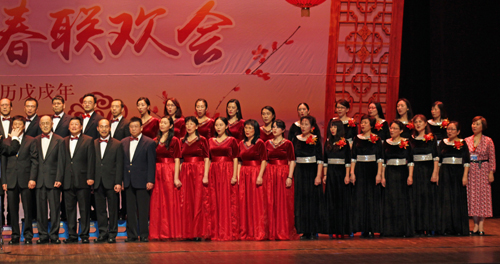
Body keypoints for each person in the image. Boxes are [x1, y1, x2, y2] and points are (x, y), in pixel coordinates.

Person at [1, 116, 36, 245]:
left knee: (28, 209)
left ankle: (28, 235)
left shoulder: (31, 141)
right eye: (14, 124)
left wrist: (32, 178)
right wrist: (4, 180)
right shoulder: (6, 141)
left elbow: (34, 161)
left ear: (24, 127)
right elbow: (3, 162)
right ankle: (15, 235)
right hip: (10, 179)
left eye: (19, 125)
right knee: (13, 210)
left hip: (26, 179)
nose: (16, 127)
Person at [121, 117, 156, 242]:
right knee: (130, 210)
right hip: (128, 180)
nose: (134, 129)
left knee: (143, 210)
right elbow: (122, 163)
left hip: (143, 181)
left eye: (136, 126)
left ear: (141, 128)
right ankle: (132, 235)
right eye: (131, 127)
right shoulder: (123, 142)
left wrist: (150, 180)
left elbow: (151, 164)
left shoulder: (150, 142)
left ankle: (144, 235)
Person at [62, 117, 95, 244]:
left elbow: (91, 160)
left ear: (81, 127)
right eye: (72, 124)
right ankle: (72, 235)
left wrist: (90, 177)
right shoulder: (63, 141)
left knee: (84, 209)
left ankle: (85, 234)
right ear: (68, 127)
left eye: (77, 124)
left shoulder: (88, 140)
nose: (74, 126)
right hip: (67, 181)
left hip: (83, 180)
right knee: (69, 210)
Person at [350, 115, 383, 238]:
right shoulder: (356, 139)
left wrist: (379, 174)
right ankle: (359, 227)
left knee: (371, 198)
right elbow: (353, 157)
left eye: (365, 123)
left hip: (372, 170)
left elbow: (380, 158)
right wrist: (352, 173)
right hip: (360, 170)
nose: (362, 125)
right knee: (360, 198)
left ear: (371, 125)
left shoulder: (376, 139)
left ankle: (371, 228)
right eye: (361, 123)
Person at [150, 116, 181, 240]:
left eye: (165, 123)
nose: (162, 125)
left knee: (169, 201)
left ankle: (171, 232)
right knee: (157, 201)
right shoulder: (154, 140)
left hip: (169, 170)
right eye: (161, 123)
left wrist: (176, 177)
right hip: (157, 171)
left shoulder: (174, 140)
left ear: (171, 126)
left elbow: (178, 159)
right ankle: (157, 232)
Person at [265, 119, 298, 240]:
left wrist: (289, 176)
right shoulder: (267, 143)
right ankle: (271, 231)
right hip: (270, 172)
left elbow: (292, 161)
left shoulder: (288, 143)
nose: (274, 129)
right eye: (273, 127)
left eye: (277, 127)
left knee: (283, 202)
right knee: (270, 201)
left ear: (283, 130)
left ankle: (283, 230)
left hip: (283, 172)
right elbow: (265, 160)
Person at [208, 117, 240, 241]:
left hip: (227, 170)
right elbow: (208, 158)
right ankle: (215, 231)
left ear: (226, 126)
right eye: (216, 125)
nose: (218, 127)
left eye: (221, 125)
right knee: (214, 199)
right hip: (214, 170)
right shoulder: (210, 140)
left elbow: (236, 158)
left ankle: (228, 230)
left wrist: (234, 175)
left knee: (227, 199)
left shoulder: (232, 140)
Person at [381, 120, 414, 237]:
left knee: (401, 200)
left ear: (401, 131)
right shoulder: (385, 143)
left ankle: (402, 229)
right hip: (390, 173)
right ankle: (389, 229)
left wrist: (410, 176)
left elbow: (410, 161)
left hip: (402, 173)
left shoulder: (406, 143)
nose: (392, 130)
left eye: (395, 128)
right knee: (390, 200)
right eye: (391, 128)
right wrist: (382, 176)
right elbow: (383, 162)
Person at [35, 115, 65, 245]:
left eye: (48, 123)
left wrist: (59, 178)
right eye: (43, 123)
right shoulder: (35, 140)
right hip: (39, 180)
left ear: (52, 124)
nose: (45, 125)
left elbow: (61, 162)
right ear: (40, 125)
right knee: (40, 210)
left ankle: (54, 235)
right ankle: (42, 235)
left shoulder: (59, 140)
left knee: (54, 209)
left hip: (53, 180)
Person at [179, 116, 210, 241]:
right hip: (186, 171)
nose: (189, 126)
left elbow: (207, 158)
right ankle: (187, 232)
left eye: (192, 124)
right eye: (187, 124)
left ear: (197, 126)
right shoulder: (181, 140)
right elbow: (180, 159)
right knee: (186, 201)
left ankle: (198, 232)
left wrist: (206, 175)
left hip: (199, 169)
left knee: (198, 200)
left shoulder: (202, 140)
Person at [292, 116, 323, 240]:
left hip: (312, 171)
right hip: (300, 171)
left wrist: (318, 176)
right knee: (301, 200)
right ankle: (303, 229)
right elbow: (293, 158)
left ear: (312, 127)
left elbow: (320, 159)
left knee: (312, 200)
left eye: (306, 124)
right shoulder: (296, 139)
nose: (303, 126)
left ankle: (312, 229)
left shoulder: (315, 139)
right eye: (302, 124)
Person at [93, 119, 124, 243]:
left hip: (111, 182)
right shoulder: (93, 143)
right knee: (100, 209)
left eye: (106, 126)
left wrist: (118, 182)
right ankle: (102, 233)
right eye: (102, 126)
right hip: (97, 181)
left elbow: (119, 164)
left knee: (113, 209)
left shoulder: (117, 144)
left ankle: (112, 233)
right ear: (98, 128)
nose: (104, 129)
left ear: (110, 128)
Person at [437, 121, 470, 236]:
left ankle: (458, 228)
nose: (449, 131)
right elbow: (439, 161)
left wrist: (465, 176)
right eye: (448, 129)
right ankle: (446, 228)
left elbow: (466, 161)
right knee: (445, 199)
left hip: (458, 173)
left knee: (457, 199)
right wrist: (437, 174)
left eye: (452, 129)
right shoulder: (443, 143)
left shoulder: (462, 143)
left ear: (458, 131)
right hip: (445, 172)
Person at [465, 116, 495, 236]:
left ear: (483, 126)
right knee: (472, 197)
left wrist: (491, 172)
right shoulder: (467, 140)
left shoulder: (488, 140)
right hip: (471, 170)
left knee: (482, 197)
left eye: (477, 124)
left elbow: (492, 157)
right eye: (473, 123)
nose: (474, 126)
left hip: (483, 169)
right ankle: (475, 224)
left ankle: (481, 224)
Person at [238, 119, 268, 240]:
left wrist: (260, 176)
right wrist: (239, 175)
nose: (247, 130)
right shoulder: (241, 143)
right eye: (246, 128)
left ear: (255, 130)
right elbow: (239, 161)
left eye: (250, 128)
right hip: (244, 172)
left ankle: (258, 231)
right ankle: (246, 231)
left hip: (256, 171)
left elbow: (264, 160)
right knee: (245, 202)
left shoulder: (260, 143)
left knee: (257, 202)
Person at [410, 114, 439, 236]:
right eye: (416, 122)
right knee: (416, 198)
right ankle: (418, 227)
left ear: (425, 123)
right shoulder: (411, 139)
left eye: (420, 122)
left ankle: (429, 225)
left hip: (428, 170)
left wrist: (435, 173)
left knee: (428, 198)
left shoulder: (431, 138)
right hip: (416, 170)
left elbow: (436, 157)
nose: (418, 124)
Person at [322, 118, 351, 238]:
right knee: (331, 200)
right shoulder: (328, 142)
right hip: (331, 173)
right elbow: (325, 161)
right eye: (331, 127)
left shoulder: (345, 143)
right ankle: (331, 228)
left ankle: (342, 229)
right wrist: (324, 174)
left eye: (335, 127)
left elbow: (348, 161)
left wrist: (347, 175)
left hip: (341, 173)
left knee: (341, 201)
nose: (332, 129)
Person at [110, 99, 130, 220]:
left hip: (123, 160)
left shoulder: (126, 123)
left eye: (117, 107)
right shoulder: (107, 123)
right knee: (114, 188)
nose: (114, 109)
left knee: (124, 188)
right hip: (110, 162)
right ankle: (115, 213)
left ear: (122, 109)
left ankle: (124, 212)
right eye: (112, 107)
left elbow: (127, 144)